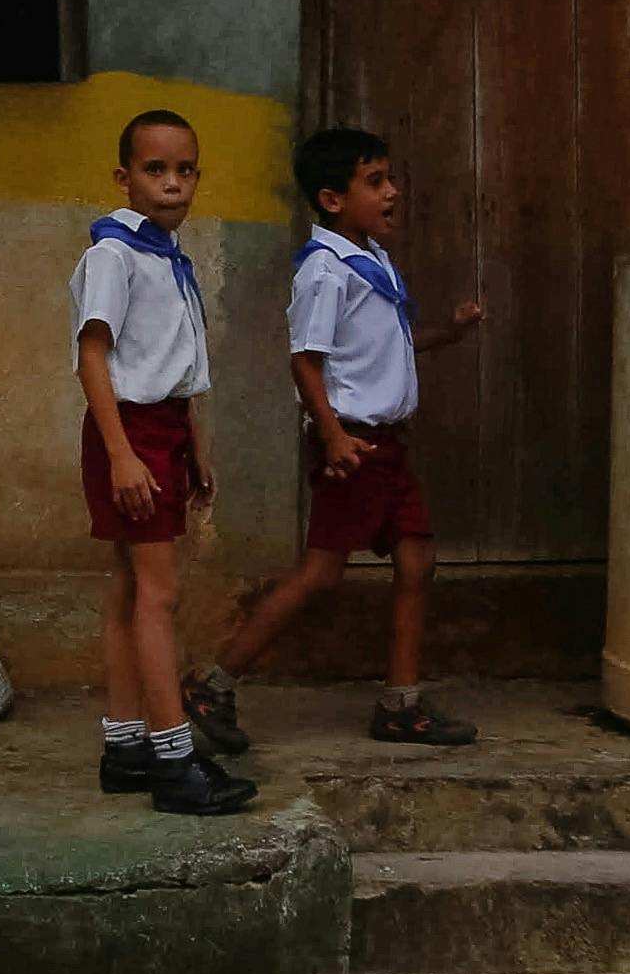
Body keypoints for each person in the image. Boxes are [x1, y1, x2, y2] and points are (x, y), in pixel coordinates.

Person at [184, 126, 483, 754]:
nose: (393, 191)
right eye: (375, 182)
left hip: (387, 446)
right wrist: (333, 436)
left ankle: (400, 703)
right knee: (320, 574)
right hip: (355, 446)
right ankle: (212, 683)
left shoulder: (369, 257)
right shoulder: (324, 271)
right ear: (330, 199)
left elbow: (386, 346)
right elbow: (306, 361)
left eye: (389, 178)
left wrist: (447, 335)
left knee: (415, 559)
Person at [71, 111, 257, 816]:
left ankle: (125, 748)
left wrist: (196, 445)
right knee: (158, 594)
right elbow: (94, 355)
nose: (173, 183)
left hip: (163, 430)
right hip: (131, 434)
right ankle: (174, 762)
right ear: (124, 177)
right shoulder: (113, 255)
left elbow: (174, 367)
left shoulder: (165, 256)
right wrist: (122, 453)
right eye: (155, 169)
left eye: (185, 170)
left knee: (127, 589)